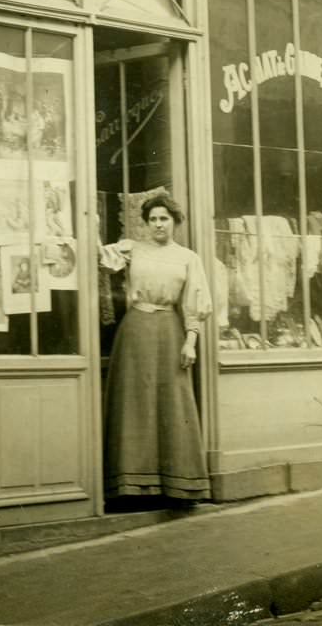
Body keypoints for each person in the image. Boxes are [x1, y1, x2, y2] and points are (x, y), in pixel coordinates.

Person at [99, 195, 212, 504]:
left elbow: (193, 302)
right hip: (135, 330)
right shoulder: (132, 248)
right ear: (145, 223)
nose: (158, 224)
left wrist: (190, 340)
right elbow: (101, 260)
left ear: (174, 221)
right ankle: (131, 486)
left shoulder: (188, 257)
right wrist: (91, 226)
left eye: (164, 218)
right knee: (134, 400)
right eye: (152, 219)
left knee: (171, 400)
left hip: (169, 331)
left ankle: (178, 484)